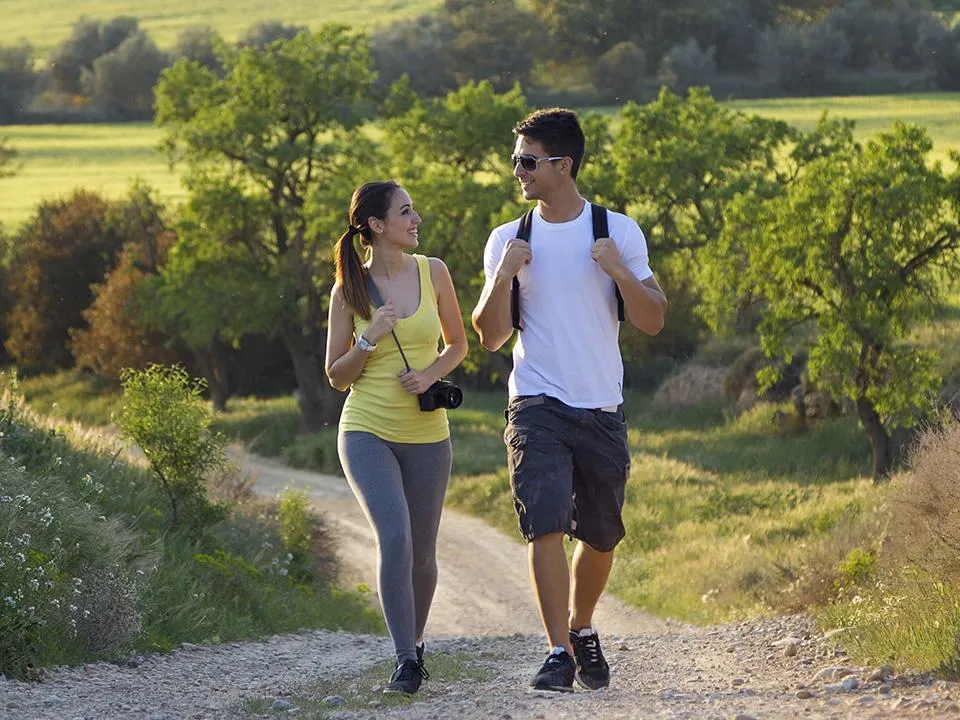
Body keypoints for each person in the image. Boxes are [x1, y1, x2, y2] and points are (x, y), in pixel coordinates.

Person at [471, 109, 668, 692]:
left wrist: (618, 272)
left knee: (602, 534)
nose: (518, 171)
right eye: (515, 161)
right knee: (546, 523)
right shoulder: (508, 239)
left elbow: (654, 320)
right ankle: (557, 650)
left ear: (564, 165)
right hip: (536, 401)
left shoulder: (617, 231)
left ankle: (582, 626)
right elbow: (490, 336)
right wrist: (502, 276)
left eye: (528, 161)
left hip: (601, 404)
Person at [325, 180, 468, 695]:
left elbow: (458, 344)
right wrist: (369, 338)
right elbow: (338, 376)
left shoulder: (435, 272)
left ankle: (417, 639)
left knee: (424, 552)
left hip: (428, 432)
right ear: (377, 226)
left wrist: (429, 376)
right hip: (367, 428)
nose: (416, 220)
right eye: (406, 212)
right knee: (396, 537)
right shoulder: (349, 290)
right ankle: (406, 661)